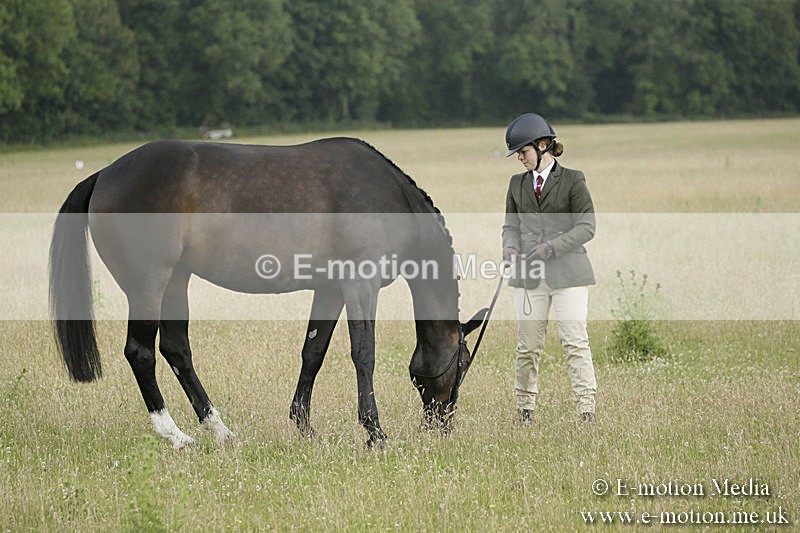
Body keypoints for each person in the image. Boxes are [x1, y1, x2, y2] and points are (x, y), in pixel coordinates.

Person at [501, 112, 598, 424]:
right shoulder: (516, 185)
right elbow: (510, 226)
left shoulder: (573, 180)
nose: (520, 158)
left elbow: (587, 226)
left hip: (569, 273)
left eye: (524, 151)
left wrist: (552, 247)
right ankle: (525, 410)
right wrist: (510, 247)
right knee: (527, 347)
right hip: (529, 277)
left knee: (574, 341)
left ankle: (587, 410)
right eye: (517, 153)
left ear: (543, 145)